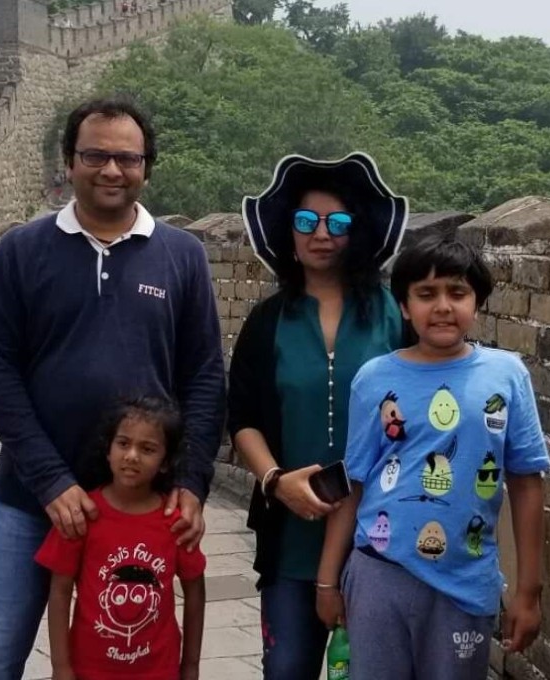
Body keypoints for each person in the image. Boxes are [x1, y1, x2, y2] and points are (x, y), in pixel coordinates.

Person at [0, 95, 225, 679]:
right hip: (32, 497)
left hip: (142, 503)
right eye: (95, 156)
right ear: (69, 162)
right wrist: (51, 481)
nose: (112, 170)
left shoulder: (181, 256)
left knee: (132, 655)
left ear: (146, 168)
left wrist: (191, 482)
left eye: (127, 158)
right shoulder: (21, 251)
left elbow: (205, 376)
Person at [317, 234, 550, 680]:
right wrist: (328, 580)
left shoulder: (505, 375)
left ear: (477, 303)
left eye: (457, 293)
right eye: (426, 294)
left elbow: (526, 483)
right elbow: (355, 483)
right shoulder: (375, 378)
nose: (443, 306)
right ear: (404, 307)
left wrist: (528, 591)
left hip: (464, 579)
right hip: (379, 574)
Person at [228, 152, 408, 680]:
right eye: (307, 221)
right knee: (287, 667)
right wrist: (275, 481)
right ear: (289, 231)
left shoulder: (393, 315)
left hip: (382, 531)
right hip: (291, 533)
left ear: (358, 230)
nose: (322, 234)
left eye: (338, 222)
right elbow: (242, 416)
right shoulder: (268, 321)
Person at [36, 396, 206, 680]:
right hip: (89, 669)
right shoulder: (83, 515)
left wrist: (190, 665)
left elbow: (195, 590)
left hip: (158, 670)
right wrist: (61, 667)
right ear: (108, 450)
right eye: (123, 443)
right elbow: (60, 590)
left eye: (147, 449)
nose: (132, 456)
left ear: (165, 462)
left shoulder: (176, 522)